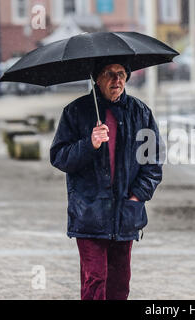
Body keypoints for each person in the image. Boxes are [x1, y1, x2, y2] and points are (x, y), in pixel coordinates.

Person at [50, 58, 163, 300]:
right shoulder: (76, 112)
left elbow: (153, 161)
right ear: (96, 79)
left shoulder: (140, 113)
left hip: (126, 212)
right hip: (89, 212)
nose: (117, 80)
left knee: (120, 282)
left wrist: (137, 196)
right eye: (110, 74)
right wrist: (88, 144)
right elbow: (59, 157)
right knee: (95, 278)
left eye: (121, 74)